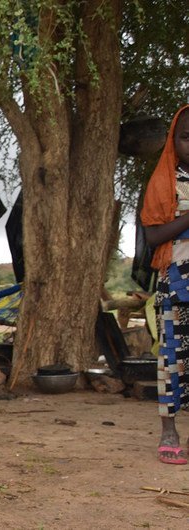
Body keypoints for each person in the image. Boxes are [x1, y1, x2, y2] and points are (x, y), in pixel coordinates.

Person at [141, 104, 189, 465]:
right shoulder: (165, 181)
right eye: (187, 138)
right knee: (172, 357)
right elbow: (154, 235)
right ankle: (169, 431)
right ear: (173, 141)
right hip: (176, 284)